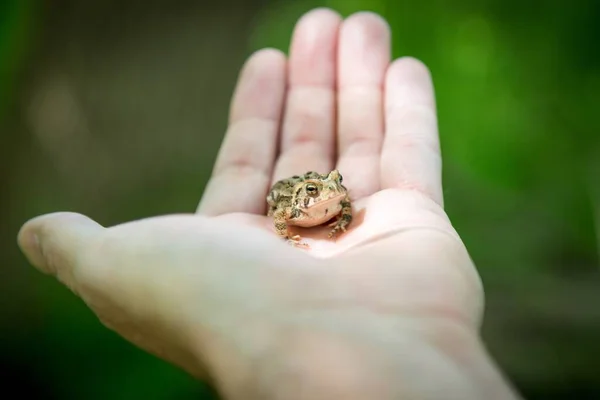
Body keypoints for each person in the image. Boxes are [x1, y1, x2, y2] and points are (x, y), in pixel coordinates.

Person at [17, 8, 523, 400]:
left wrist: (338, 216)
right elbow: (281, 212)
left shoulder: (336, 199)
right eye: (320, 194)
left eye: (334, 190)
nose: (331, 197)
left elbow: (338, 202)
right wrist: (294, 235)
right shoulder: (292, 205)